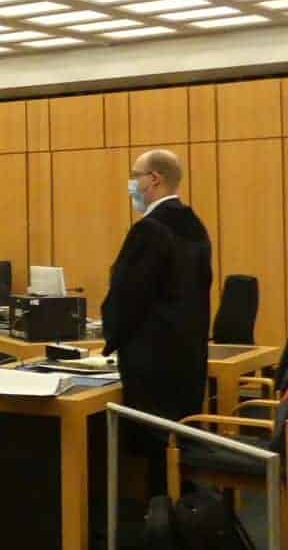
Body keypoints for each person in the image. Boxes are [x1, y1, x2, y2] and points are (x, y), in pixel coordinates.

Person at [105, 149, 211, 493]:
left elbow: (127, 294)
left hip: (153, 363)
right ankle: (178, 511)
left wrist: (111, 338)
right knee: (176, 447)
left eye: (135, 175)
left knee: (156, 449)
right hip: (187, 357)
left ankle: (157, 515)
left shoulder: (150, 230)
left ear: (153, 179)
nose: (131, 183)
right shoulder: (194, 225)